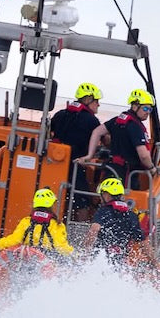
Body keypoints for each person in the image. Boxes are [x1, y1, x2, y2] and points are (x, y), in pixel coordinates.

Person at [83, 88, 160, 187]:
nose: (148, 112)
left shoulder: (117, 120)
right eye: (145, 108)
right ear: (134, 106)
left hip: (110, 170)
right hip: (127, 175)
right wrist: (152, 168)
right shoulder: (135, 127)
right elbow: (144, 155)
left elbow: (97, 132)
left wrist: (90, 155)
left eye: (150, 109)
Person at [50, 83, 103, 218]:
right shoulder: (92, 121)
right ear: (88, 99)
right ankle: (79, 230)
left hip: (53, 167)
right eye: (96, 101)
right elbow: (102, 140)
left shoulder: (59, 115)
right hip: (76, 167)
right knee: (84, 201)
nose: (98, 105)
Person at [0, 188, 74, 255]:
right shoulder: (57, 225)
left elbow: (13, 240)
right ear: (52, 205)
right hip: (47, 263)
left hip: (26, 261)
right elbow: (61, 247)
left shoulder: (26, 222)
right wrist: (76, 255)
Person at [85, 177, 148, 263]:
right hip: (119, 263)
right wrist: (155, 264)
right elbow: (143, 243)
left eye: (102, 194)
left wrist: (85, 252)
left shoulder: (103, 211)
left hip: (100, 260)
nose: (100, 198)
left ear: (107, 195)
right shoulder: (132, 215)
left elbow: (94, 229)